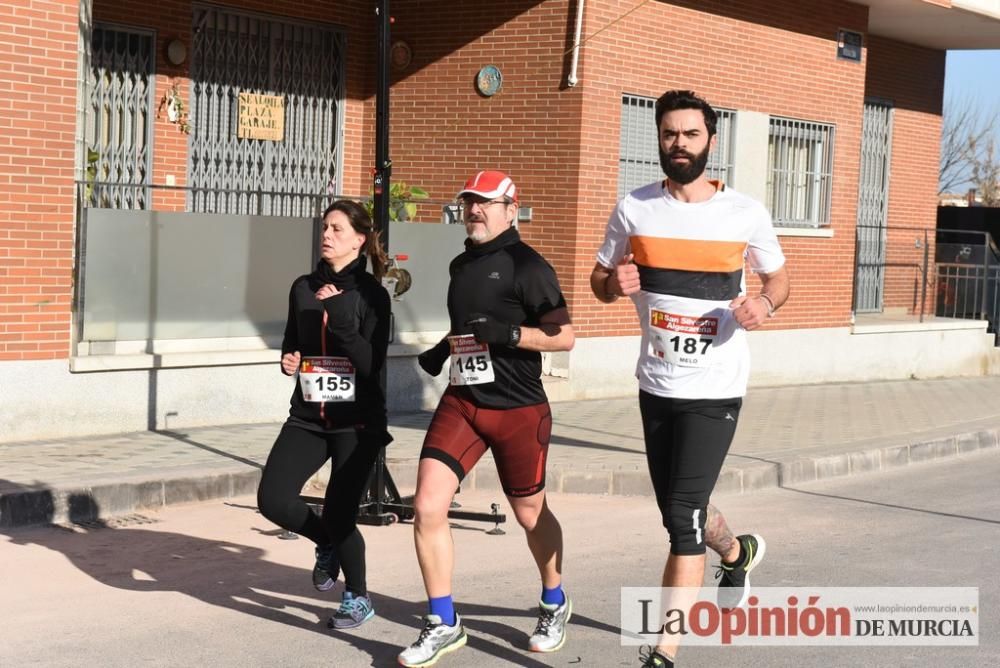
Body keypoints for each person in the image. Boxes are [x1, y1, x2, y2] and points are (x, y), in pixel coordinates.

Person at [589, 90, 790, 667]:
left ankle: (664, 653)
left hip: (715, 387)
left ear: (711, 140)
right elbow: (601, 279)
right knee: (685, 510)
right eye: (670, 134)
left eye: (691, 134)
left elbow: (778, 280)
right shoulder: (634, 207)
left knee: (681, 519)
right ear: (658, 138)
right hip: (656, 383)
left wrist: (765, 309)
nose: (679, 144)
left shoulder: (744, 212)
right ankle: (736, 551)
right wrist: (615, 283)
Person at [397, 171, 576, 667]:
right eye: (469, 202)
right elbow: (470, 327)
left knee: (528, 514)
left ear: (510, 209)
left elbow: (563, 336)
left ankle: (554, 603)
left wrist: (511, 335)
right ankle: (443, 622)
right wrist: (443, 348)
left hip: (519, 409)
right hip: (463, 403)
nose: (474, 210)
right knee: (428, 506)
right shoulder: (460, 264)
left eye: (485, 203)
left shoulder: (528, 265)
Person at [257, 199, 392, 631]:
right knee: (273, 500)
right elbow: (292, 338)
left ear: (359, 239)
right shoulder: (302, 287)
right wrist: (289, 359)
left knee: (339, 510)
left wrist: (340, 320)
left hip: (358, 421)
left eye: (337, 229)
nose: (327, 235)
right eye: (325, 228)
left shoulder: (372, 295)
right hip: (309, 415)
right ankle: (327, 544)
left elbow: (371, 365)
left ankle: (358, 597)